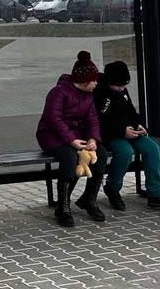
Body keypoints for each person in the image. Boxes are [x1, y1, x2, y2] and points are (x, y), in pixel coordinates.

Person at [94, 61, 160, 212]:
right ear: (109, 81)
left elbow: (131, 112)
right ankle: (113, 188)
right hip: (111, 135)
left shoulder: (123, 91)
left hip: (129, 131)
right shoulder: (99, 93)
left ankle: (155, 194)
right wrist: (122, 131)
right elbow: (99, 121)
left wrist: (139, 124)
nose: (121, 88)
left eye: (124, 85)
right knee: (125, 152)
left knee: (152, 148)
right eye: (118, 86)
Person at [36, 50, 108, 227]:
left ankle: (89, 199)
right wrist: (71, 140)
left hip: (76, 136)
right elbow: (53, 119)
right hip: (51, 135)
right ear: (85, 82)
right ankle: (63, 206)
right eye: (94, 80)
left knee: (101, 154)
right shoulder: (58, 92)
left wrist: (93, 139)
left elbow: (92, 119)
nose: (96, 83)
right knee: (70, 156)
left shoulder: (88, 96)